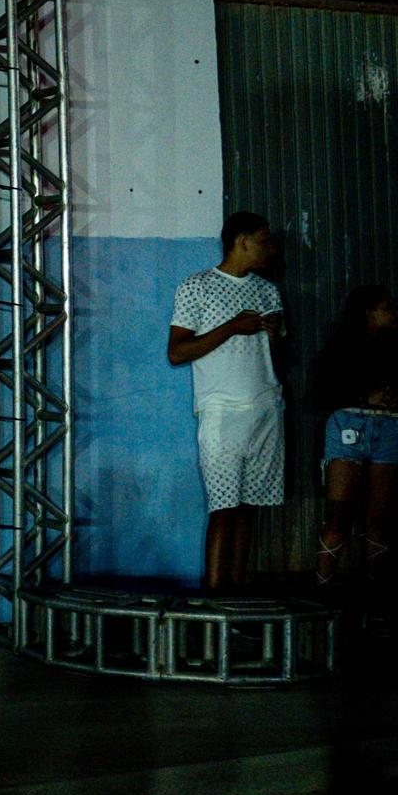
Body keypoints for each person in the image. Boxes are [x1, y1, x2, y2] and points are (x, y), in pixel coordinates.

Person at [167, 211, 288, 591]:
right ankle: (215, 598)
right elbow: (177, 352)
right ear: (242, 241)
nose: (270, 248)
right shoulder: (197, 286)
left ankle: (237, 596)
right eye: (263, 240)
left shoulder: (268, 291)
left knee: (249, 508)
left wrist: (273, 336)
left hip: (266, 408)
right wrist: (232, 327)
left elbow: (281, 361)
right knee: (224, 507)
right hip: (221, 411)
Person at [309, 285, 398, 596]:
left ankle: (375, 598)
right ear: (369, 313)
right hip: (348, 427)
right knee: (338, 516)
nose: (394, 313)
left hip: (389, 427)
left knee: (379, 519)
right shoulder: (339, 349)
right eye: (387, 308)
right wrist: (365, 398)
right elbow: (319, 394)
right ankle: (322, 594)